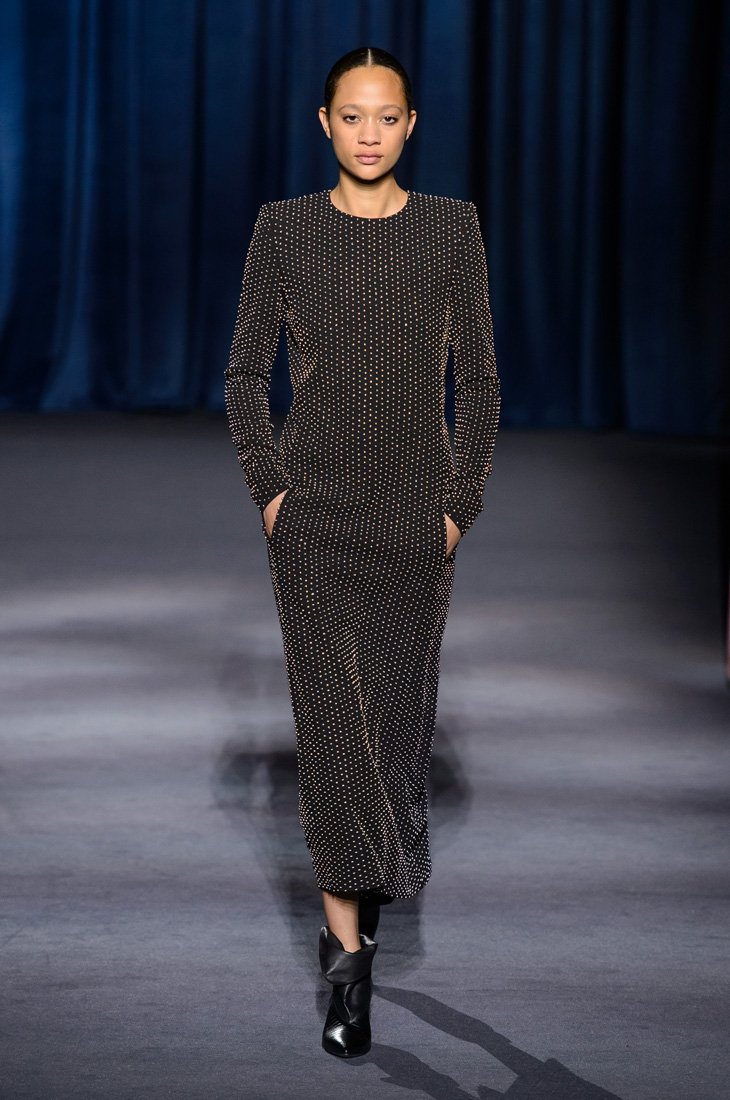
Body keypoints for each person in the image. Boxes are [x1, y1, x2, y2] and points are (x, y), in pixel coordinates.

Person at [224, 45, 500, 1058]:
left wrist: (457, 506)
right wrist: (272, 495)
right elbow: (244, 373)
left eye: (387, 116)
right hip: (315, 519)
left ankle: (364, 896)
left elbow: (479, 380)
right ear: (325, 123)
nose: (370, 132)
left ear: (411, 124)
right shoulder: (284, 228)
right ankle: (349, 965)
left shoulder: (450, 229)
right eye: (353, 115)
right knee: (334, 731)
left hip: (413, 518)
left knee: (391, 730)